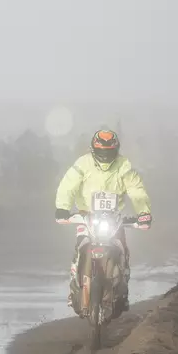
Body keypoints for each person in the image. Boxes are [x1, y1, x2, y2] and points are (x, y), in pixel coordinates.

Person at [54, 130, 152, 313]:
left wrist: (144, 213)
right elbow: (68, 185)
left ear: (116, 150)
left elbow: (136, 190)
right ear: (93, 150)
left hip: (114, 218)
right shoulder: (82, 164)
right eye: (102, 152)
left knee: (123, 252)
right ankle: (73, 289)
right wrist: (62, 208)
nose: (105, 156)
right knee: (78, 250)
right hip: (86, 215)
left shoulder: (124, 166)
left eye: (109, 151)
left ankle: (122, 291)